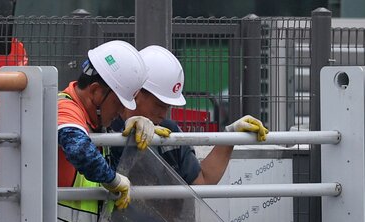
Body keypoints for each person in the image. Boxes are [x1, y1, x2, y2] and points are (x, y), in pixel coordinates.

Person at [56, 40, 148, 222]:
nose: (120, 112)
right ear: (96, 92)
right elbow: (78, 149)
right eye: (118, 105)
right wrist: (114, 181)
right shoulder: (65, 108)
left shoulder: (92, 121)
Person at [115, 45, 269, 187]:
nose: (163, 114)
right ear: (136, 93)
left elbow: (202, 181)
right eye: (159, 105)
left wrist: (230, 137)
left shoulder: (168, 131)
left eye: (167, 107)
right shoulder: (108, 131)